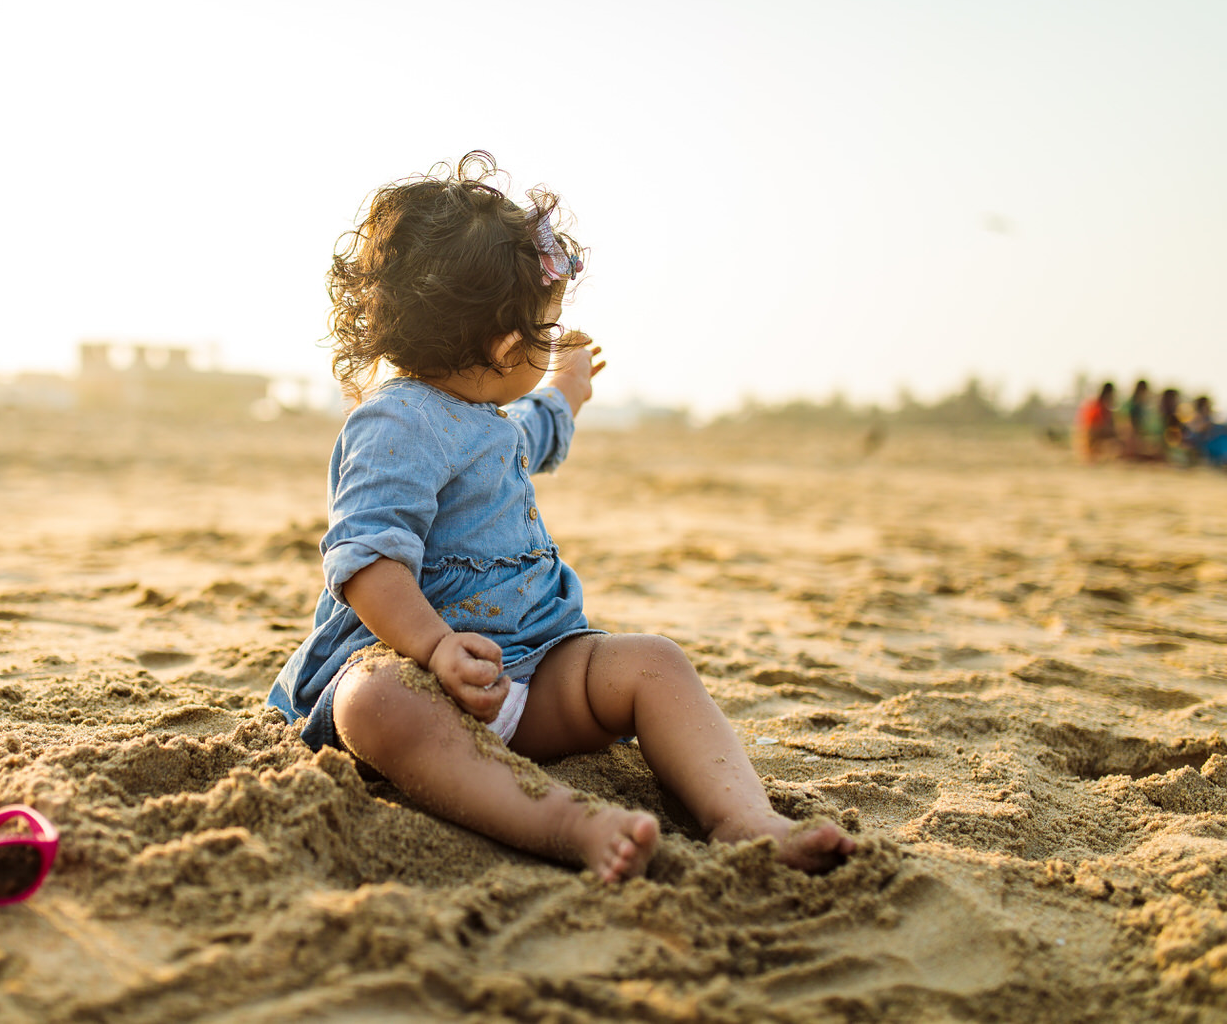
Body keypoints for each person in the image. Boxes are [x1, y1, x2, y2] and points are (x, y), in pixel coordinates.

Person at [268, 152, 856, 883]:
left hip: (535, 671)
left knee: (654, 662)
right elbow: (366, 558)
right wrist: (435, 646)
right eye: (546, 335)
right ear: (505, 347)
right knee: (374, 702)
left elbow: (535, 429)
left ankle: (742, 816)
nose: (551, 345)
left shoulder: (488, 416)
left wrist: (565, 391)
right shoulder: (395, 423)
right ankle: (564, 822)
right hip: (420, 681)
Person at [1074, 382, 1118, 462]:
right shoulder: (1098, 406)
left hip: (1091, 436)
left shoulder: (1099, 405)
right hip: (1091, 437)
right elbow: (1096, 427)